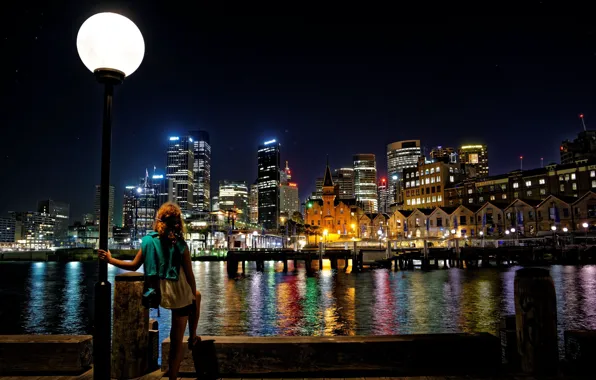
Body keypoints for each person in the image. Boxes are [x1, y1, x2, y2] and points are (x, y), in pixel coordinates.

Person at [98, 202, 201, 380]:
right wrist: (192, 294)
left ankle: (191, 338)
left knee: (195, 299)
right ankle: (190, 341)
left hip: (158, 291)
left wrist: (110, 259)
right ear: (178, 222)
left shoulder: (148, 241)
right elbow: (190, 277)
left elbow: (133, 265)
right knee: (179, 334)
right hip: (179, 293)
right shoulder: (181, 245)